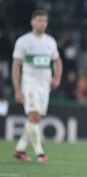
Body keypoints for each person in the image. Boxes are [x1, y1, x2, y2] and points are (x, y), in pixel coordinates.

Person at [12, 10, 63, 162]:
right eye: (39, 20)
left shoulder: (50, 41)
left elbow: (57, 60)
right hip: (29, 83)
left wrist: (57, 78)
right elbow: (16, 65)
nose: (42, 23)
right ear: (32, 22)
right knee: (34, 115)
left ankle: (20, 149)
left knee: (36, 118)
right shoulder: (23, 41)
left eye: (44, 21)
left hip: (44, 85)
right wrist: (17, 89)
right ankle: (40, 153)